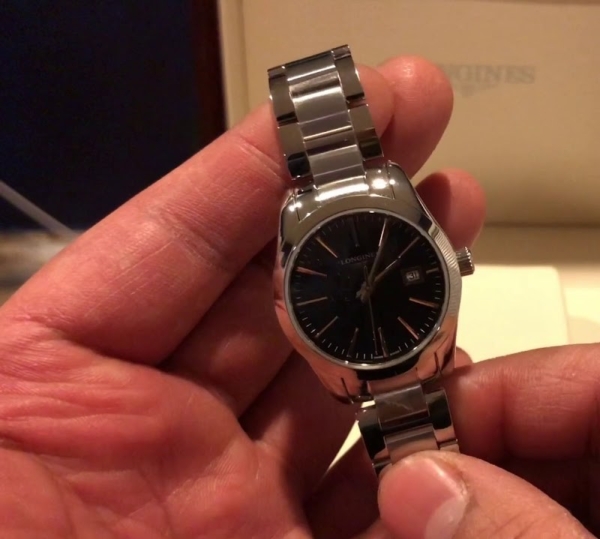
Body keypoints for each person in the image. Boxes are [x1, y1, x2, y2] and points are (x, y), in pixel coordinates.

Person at [0, 54, 595, 539]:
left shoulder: (381, 191)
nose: (366, 285)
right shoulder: (318, 221)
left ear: (449, 262)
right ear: (286, 311)